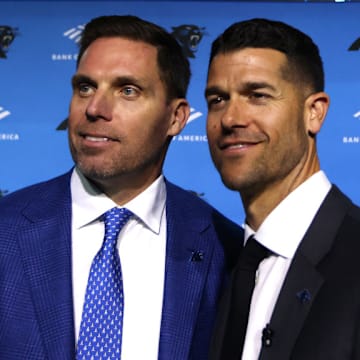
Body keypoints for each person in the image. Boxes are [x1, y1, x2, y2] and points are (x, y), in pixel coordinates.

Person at [0, 15, 243, 360]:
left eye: (128, 90)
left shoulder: (227, 251)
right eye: (85, 87)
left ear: (176, 118)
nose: (95, 109)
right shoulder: (5, 230)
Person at [205, 18, 360, 360]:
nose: (230, 118)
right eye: (217, 99)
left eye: (257, 96)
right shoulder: (218, 264)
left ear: (314, 113)